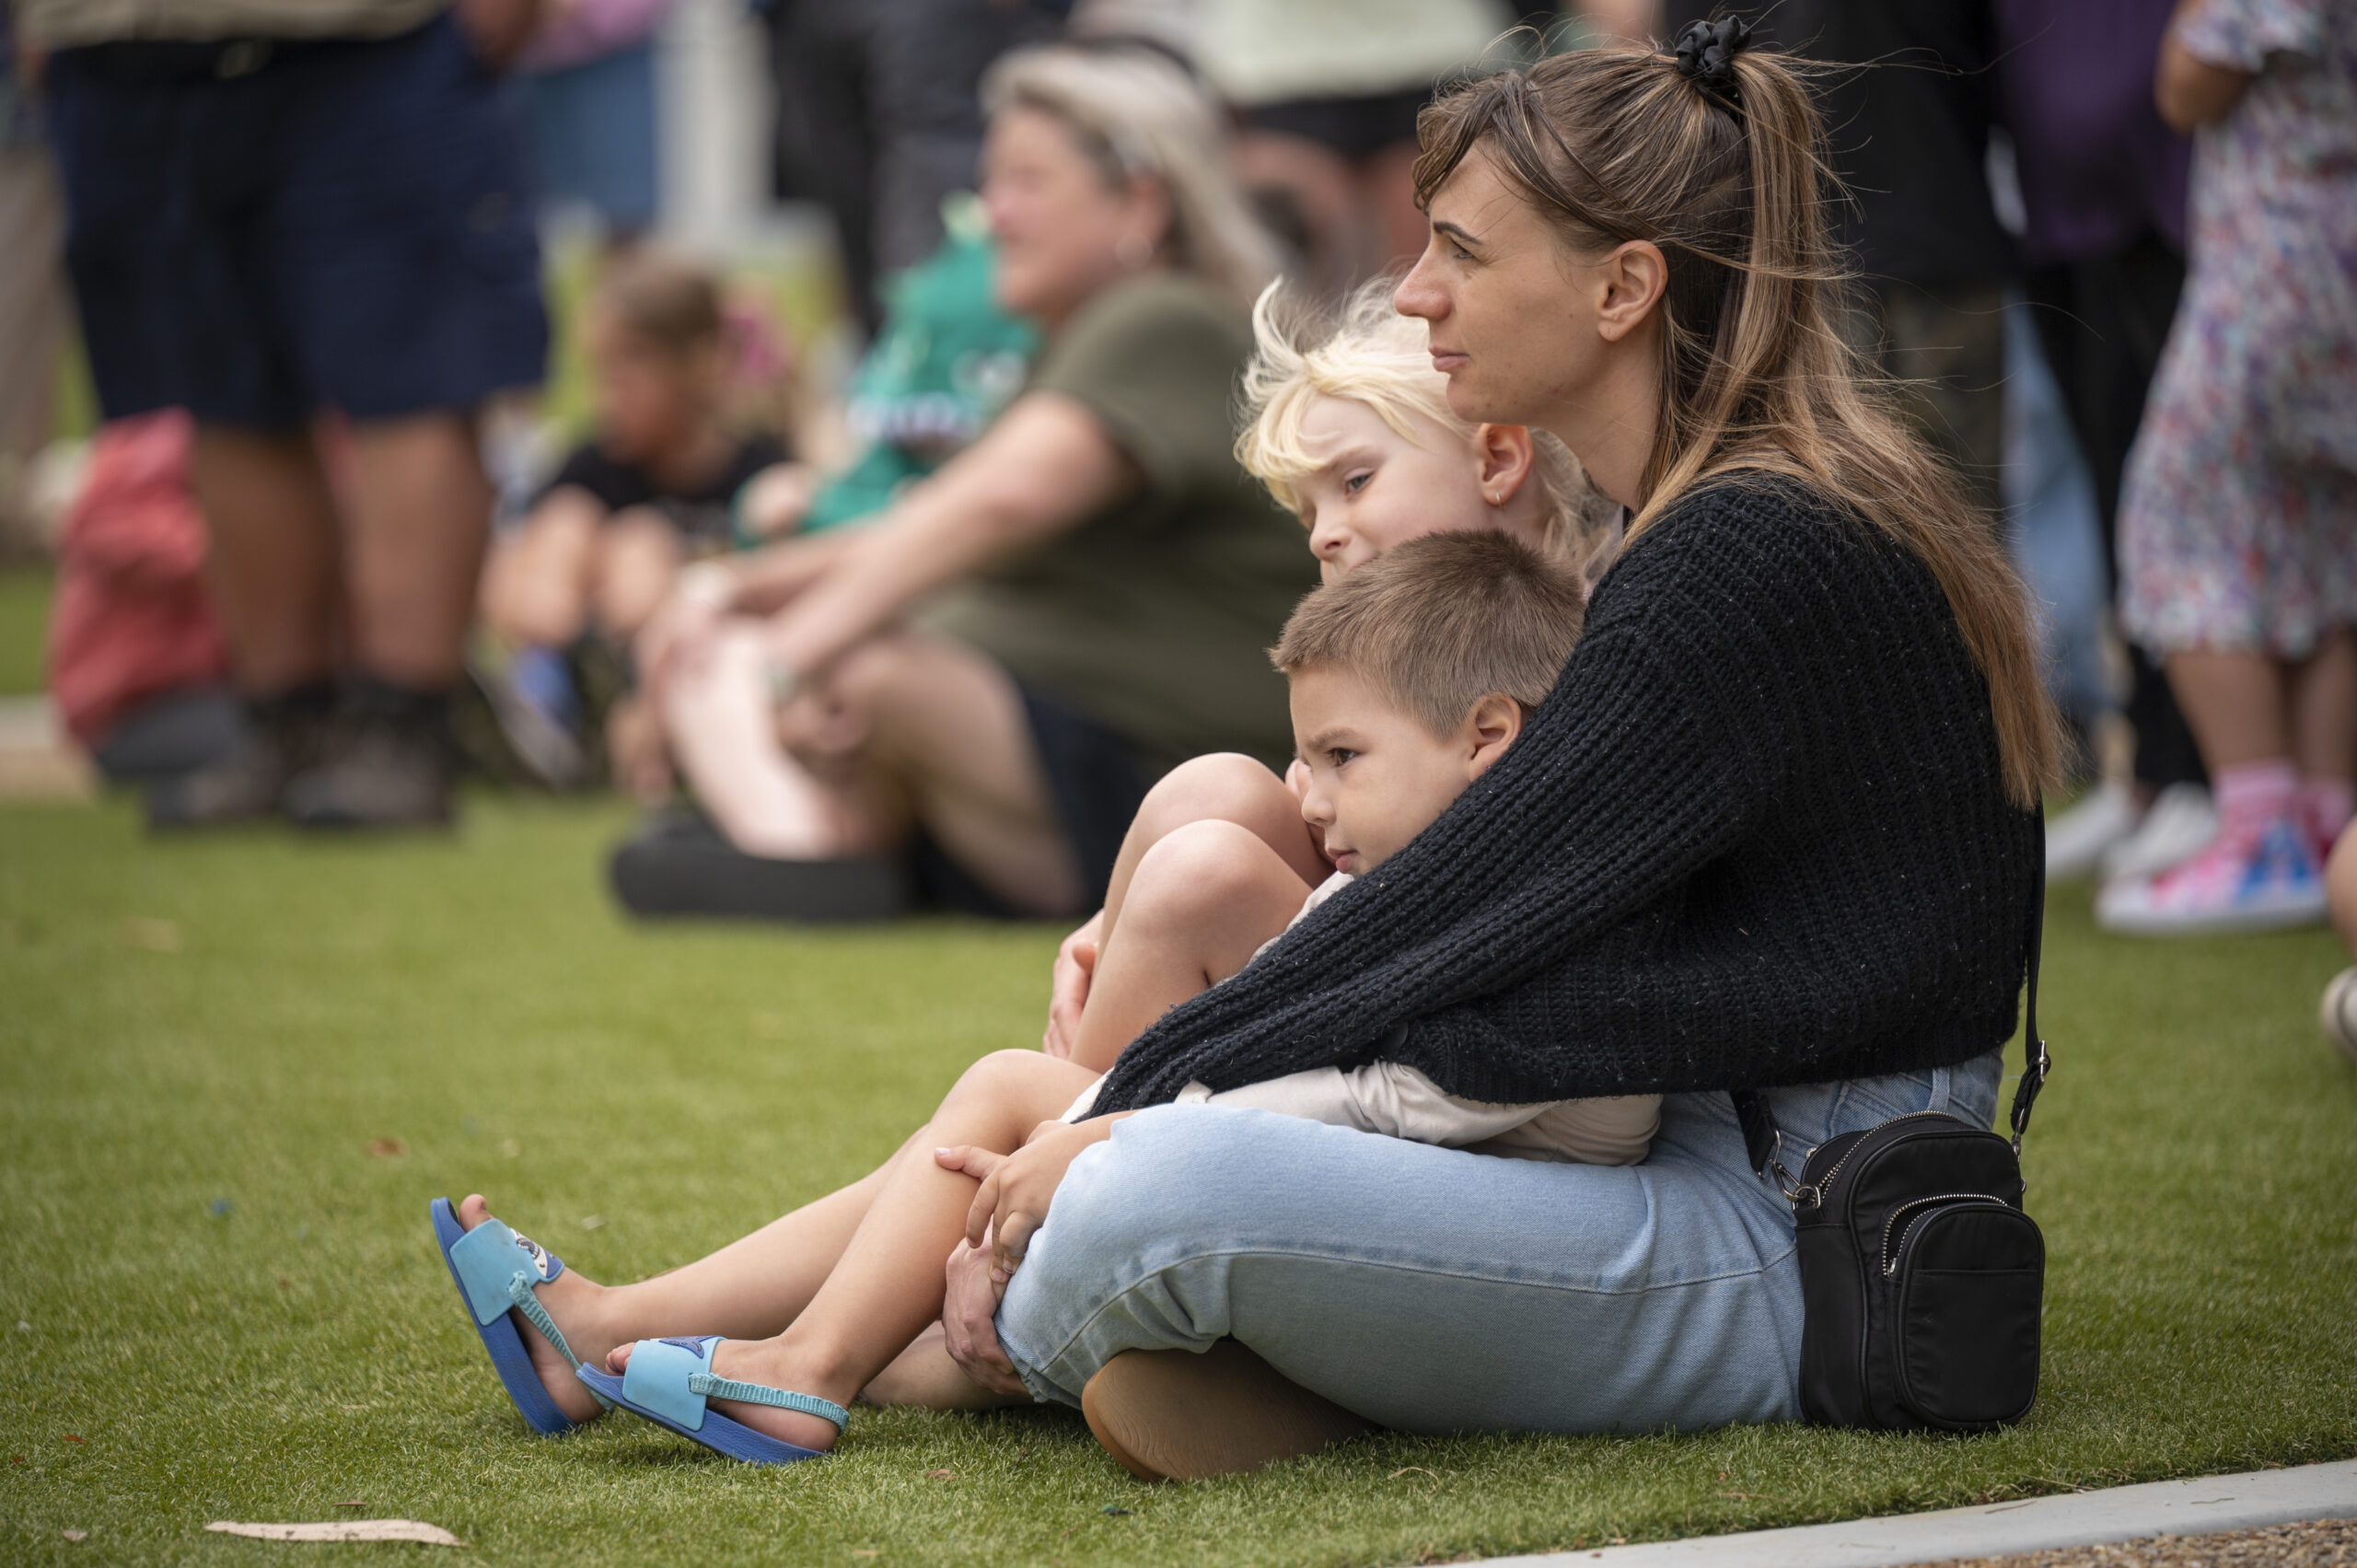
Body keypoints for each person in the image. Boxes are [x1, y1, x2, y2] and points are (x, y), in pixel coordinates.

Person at [931, 24, 2057, 1481]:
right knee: (1119, 1143)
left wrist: (1129, 1118)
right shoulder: (1700, 522)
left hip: (1797, 1243)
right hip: (1683, 1175)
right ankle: (772, 1346)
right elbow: (1452, 941)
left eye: (1458, 248)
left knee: (1146, 1193)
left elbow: (1457, 928)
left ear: (1622, 288)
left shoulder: (1745, 553)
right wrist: (1128, 1102)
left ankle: (936, 1353)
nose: (1415, 288)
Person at [432, 532, 1659, 1461]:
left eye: (1343, 757)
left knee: (1023, 1100)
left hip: (1469, 1223)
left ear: (1490, 734)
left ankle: (795, 1363)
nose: (1310, 794)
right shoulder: (1432, 868)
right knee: (1019, 1099)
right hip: (1372, 1172)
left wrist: (1109, 1128)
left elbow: (1386, 1103)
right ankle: (679, 1344)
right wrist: (1111, 1111)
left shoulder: (1550, 910)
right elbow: (1288, 1017)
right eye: (1303, 754)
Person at [606, 42, 1318, 923]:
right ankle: (809, 845)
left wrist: (791, 658)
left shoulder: (1161, 317)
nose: (993, 214)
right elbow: (929, 521)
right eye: (991, 182)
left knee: (860, 672)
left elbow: (989, 505)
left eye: (1026, 181)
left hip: (1172, 777)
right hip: (1089, 765)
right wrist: (725, 591)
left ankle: (807, 853)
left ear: (1139, 199)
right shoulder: (1081, 343)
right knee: (758, 645)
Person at [26, 0, 548, 830]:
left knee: (418, 373)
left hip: (370, 35)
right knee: (222, 392)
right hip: (124, 52)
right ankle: (283, 728)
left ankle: (402, 727)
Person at [1041, 273, 1619, 1010]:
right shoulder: (1380, 661)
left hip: (1477, 991)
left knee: (1204, 874)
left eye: (1355, 480)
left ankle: (1076, 1109)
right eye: (1307, 511)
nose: (1324, 533)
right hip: (1372, 942)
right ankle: (1083, 1073)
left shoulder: (1602, 629)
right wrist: (1112, 925)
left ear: (1497, 459)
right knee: (1212, 790)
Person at [2092, 0, 2357, 936]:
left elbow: (2186, 80)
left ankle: (2257, 833)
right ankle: (2327, 825)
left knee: (2177, 515)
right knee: (2320, 531)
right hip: (2337, 255)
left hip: (2274, 266)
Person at [1995, 0, 2216, 885]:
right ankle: (2153, 770)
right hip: (2054, 194)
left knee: (2179, 490)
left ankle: (2212, 774)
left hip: (2168, 193)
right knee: (2106, 479)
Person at [477, 250, 792, 789]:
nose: (610, 396)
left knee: (643, 543)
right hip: (584, 630)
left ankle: (619, 709)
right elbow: (511, 581)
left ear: (698, 364)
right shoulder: (592, 468)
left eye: (631, 371)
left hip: (706, 653)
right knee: (574, 524)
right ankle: (554, 702)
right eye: (603, 374)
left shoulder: (760, 469)